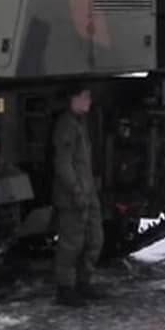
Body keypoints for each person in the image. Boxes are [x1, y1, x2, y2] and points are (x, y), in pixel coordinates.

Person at [52, 89, 106, 305]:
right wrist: (76, 190)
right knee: (71, 243)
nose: (88, 101)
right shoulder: (66, 126)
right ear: (72, 99)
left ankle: (84, 281)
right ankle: (65, 288)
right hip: (72, 194)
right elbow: (63, 164)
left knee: (95, 238)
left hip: (88, 190)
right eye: (84, 97)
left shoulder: (80, 123)